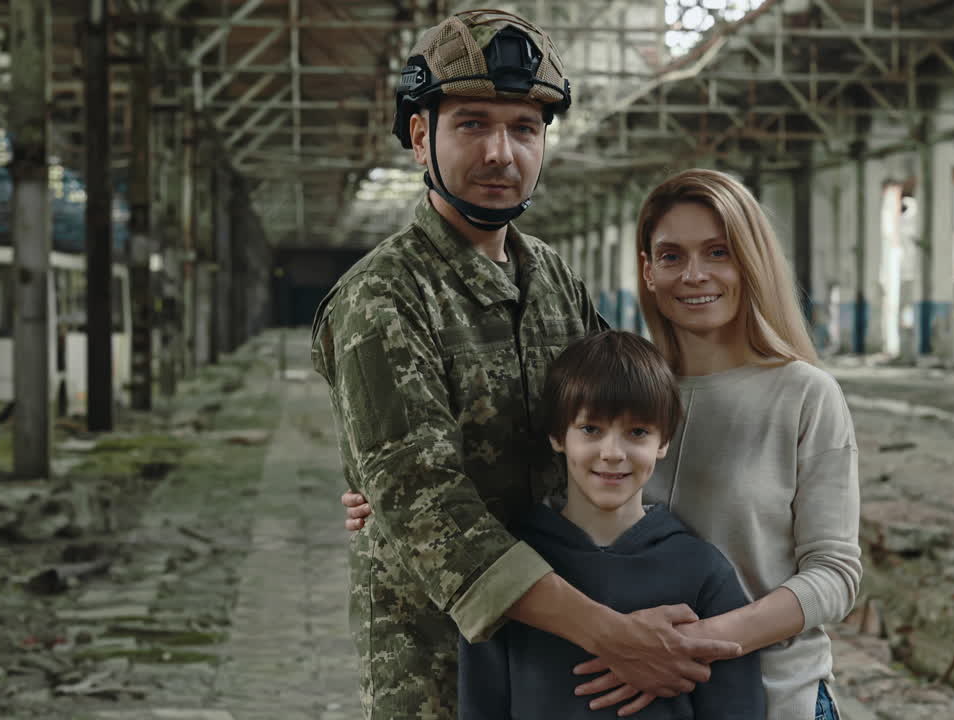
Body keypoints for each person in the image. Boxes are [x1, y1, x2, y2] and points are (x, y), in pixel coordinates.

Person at [312, 11, 741, 719]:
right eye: (472, 124)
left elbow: (627, 413)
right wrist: (616, 635)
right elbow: (431, 512)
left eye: (524, 128)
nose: (501, 154)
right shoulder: (383, 297)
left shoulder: (552, 278)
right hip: (439, 667)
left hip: (566, 661)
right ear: (422, 136)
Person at [344, 169, 862, 720]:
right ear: (648, 270)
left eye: (718, 252)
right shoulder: (627, 390)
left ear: (752, 262)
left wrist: (686, 646)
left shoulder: (805, 395)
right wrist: (393, 498)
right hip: (614, 690)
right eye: (671, 256)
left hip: (776, 693)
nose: (694, 274)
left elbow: (835, 574)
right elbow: (533, 461)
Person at [458, 330, 765, 719]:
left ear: (664, 440)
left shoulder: (704, 572)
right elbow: (480, 708)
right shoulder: (510, 572)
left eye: (637, 432)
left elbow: (737, 709)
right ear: (557, 435)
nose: (613, 453)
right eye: (591, 429)